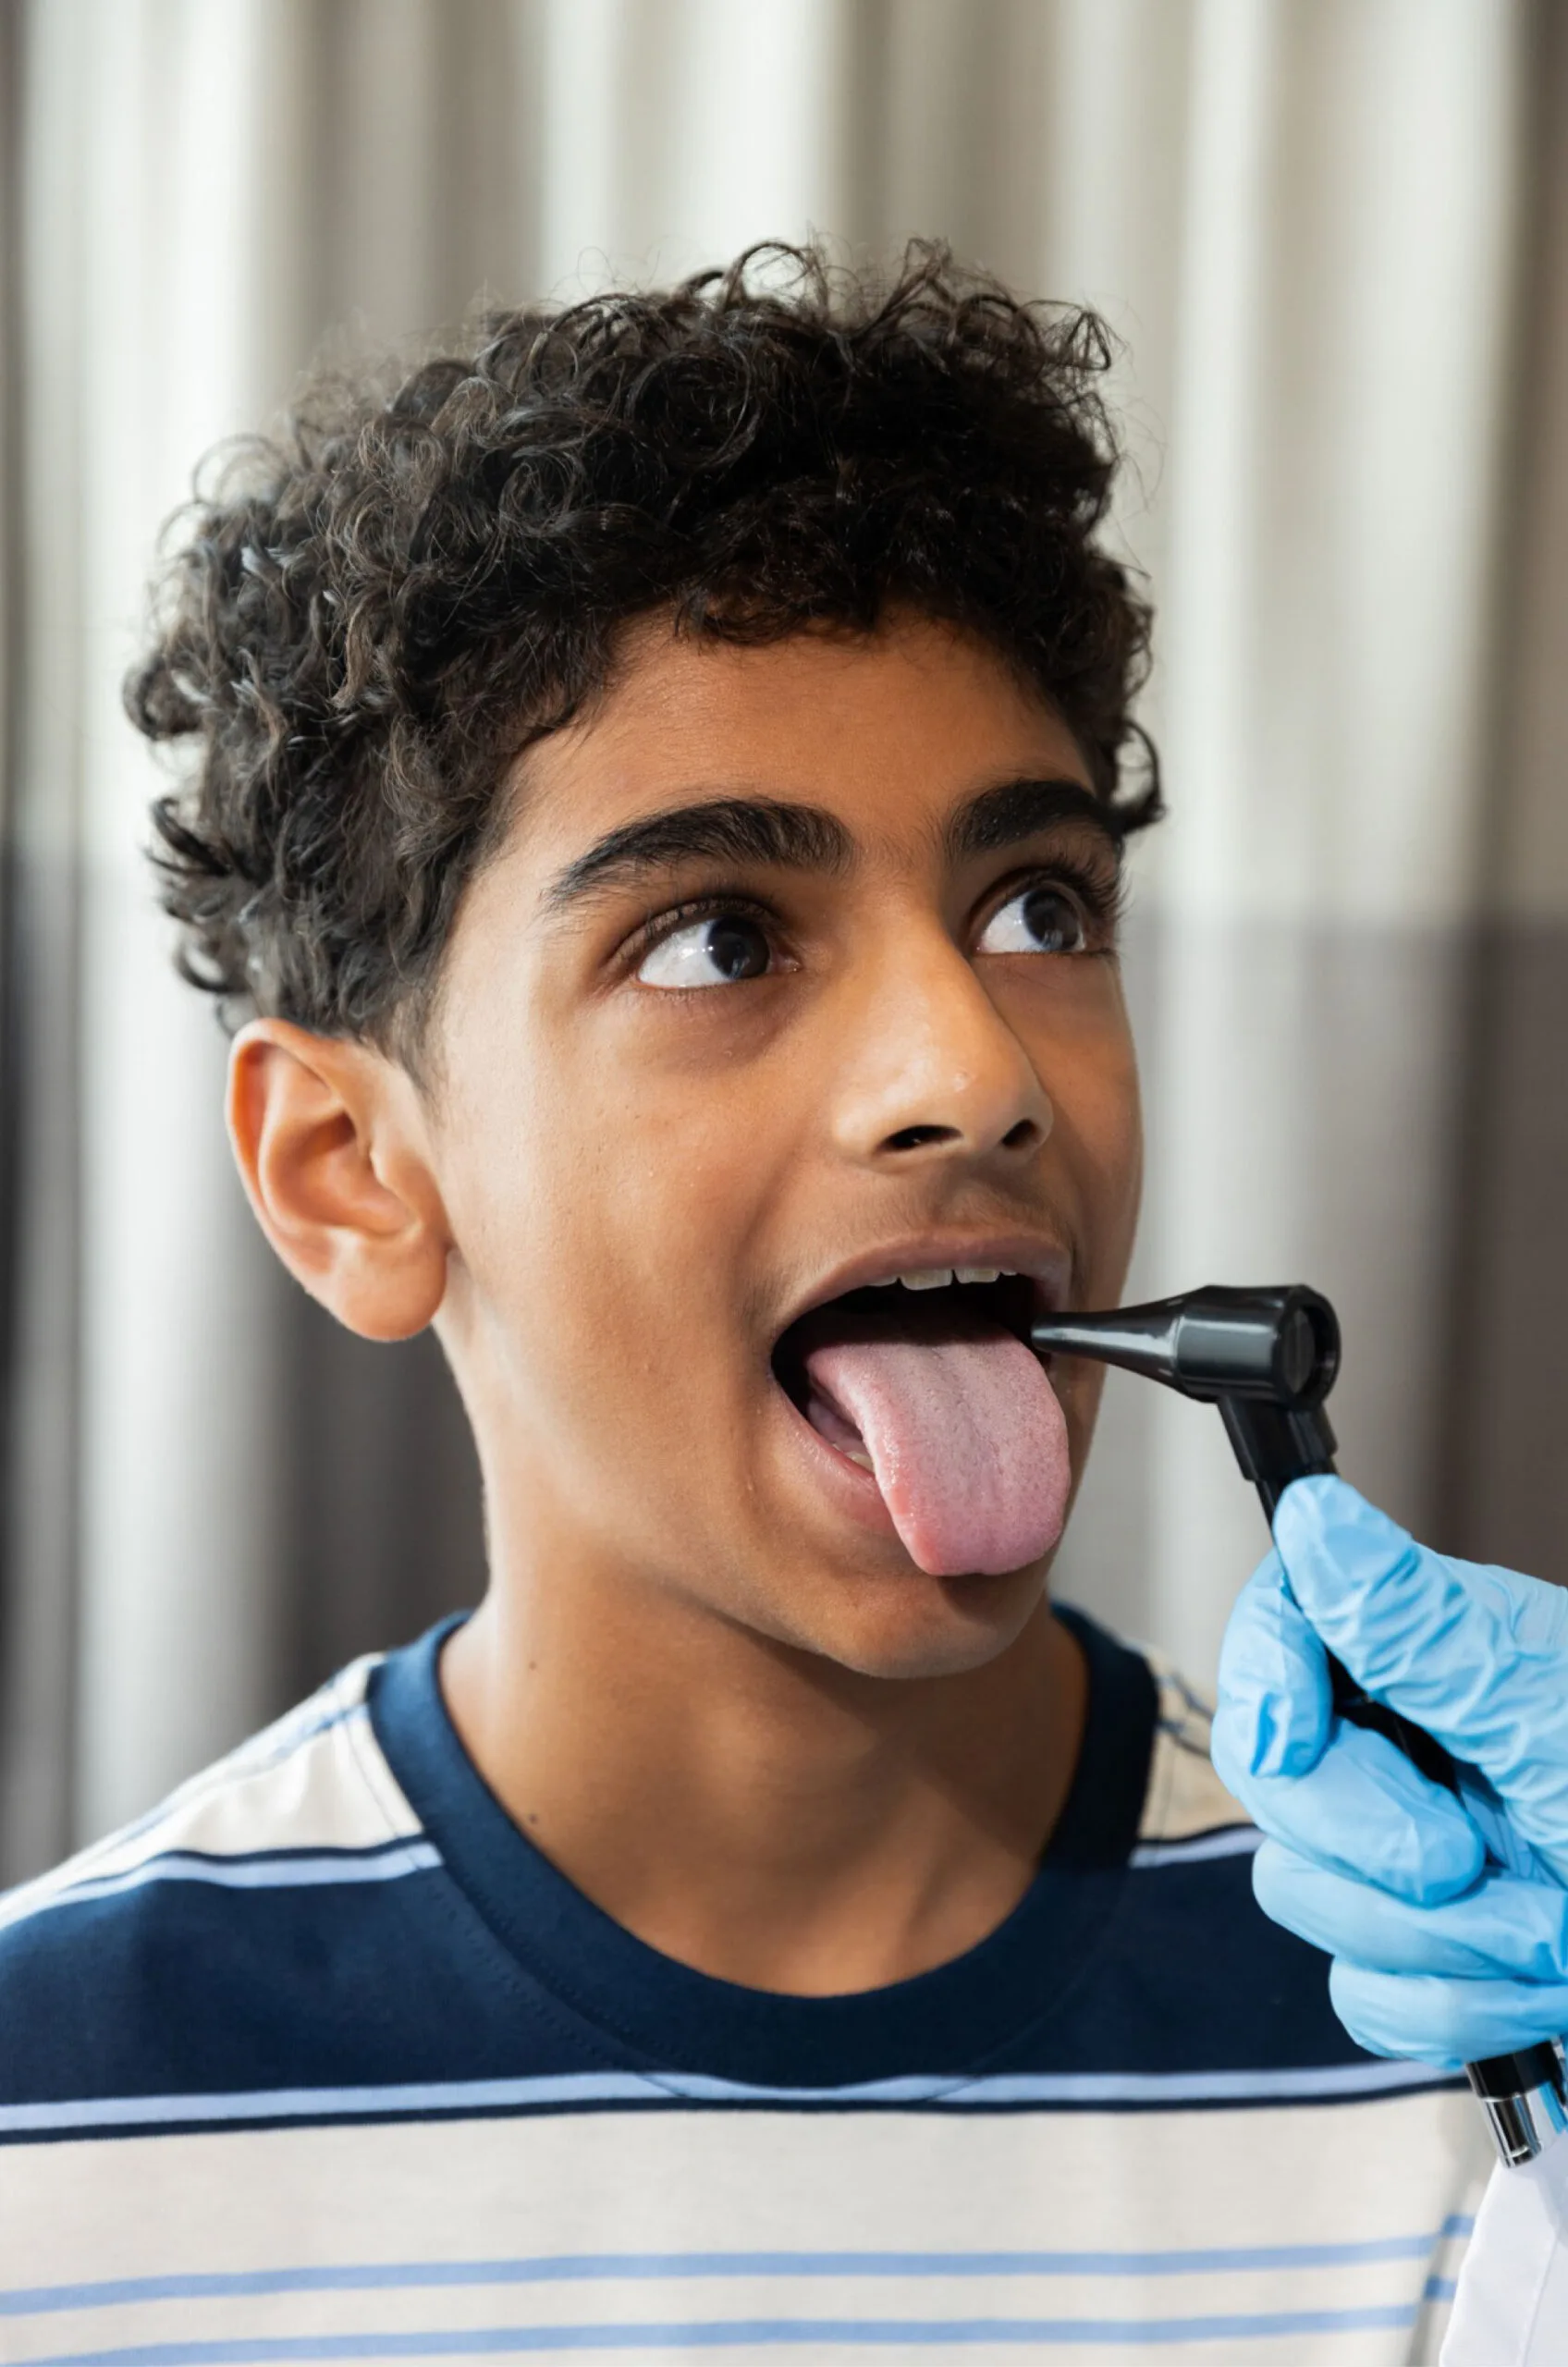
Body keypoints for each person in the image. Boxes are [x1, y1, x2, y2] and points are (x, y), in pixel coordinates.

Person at [0, 245, 1491, 2358]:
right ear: (353, 1174)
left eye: (1035, 904)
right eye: (717, 938)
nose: (968, 1064)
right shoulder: (43, 2128)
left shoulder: (1466, 2019)